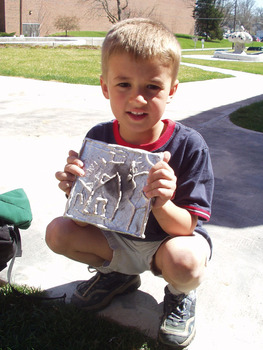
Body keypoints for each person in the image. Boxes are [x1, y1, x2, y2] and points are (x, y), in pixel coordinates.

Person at [46, 18, 214, 349]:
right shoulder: (99, 137)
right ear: (105, 87)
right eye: (124, 84)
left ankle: (180, 295)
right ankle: (118, 276)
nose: (137, 99)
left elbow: (187, 228)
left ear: (172, 90)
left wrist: (163, 202)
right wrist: (77, 193)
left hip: (166, 243)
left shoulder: (189, 145)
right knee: (58, 231)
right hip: (116, 240)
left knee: (187, 261)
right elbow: (82, 221)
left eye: (152, 87)